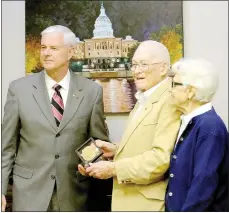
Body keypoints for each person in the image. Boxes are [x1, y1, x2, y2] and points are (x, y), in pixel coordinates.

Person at [1, 25, 111, 211]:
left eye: (53, 48)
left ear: (70, 52)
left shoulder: (92, 91)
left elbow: (97, 143)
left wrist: (90, 165)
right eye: (43, 47)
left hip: (74, 193)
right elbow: (7, 147)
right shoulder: (19, 90)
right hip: (29, 193)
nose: (46, 53)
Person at [78, 40, 182, 211]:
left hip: (147, 205)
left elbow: (160, 160)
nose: (136, 71)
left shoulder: (170, 101)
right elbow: (144, 145)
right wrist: (115, 150)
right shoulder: (144, 98)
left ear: (163, 68)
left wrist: (113, 169)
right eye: (133, 65)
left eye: (143, 64)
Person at [165, 58, 228, 211]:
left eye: (175, 84)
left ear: (191, 92)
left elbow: (203, 185)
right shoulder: (190, 121)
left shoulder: (209, 127)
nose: (170, 89)